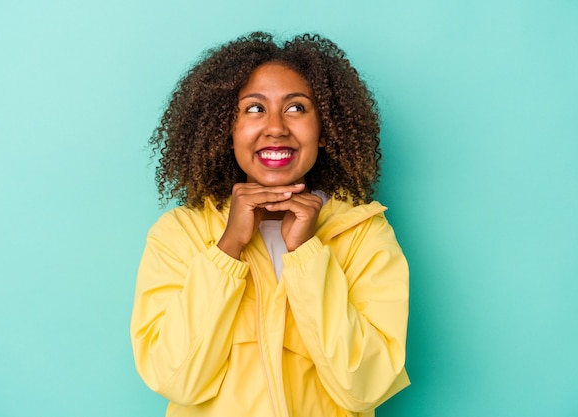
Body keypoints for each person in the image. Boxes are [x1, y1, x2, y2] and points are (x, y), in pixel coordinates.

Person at [130, 32, 410, 417]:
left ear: (325, 130)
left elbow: (365, 387)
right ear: (224, 131)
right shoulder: (179, 234)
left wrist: (307, 254)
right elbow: (174, 378)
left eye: (296, 109)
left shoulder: (364, 235)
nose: (276, 127)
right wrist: (227, 248)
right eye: (254, 109)